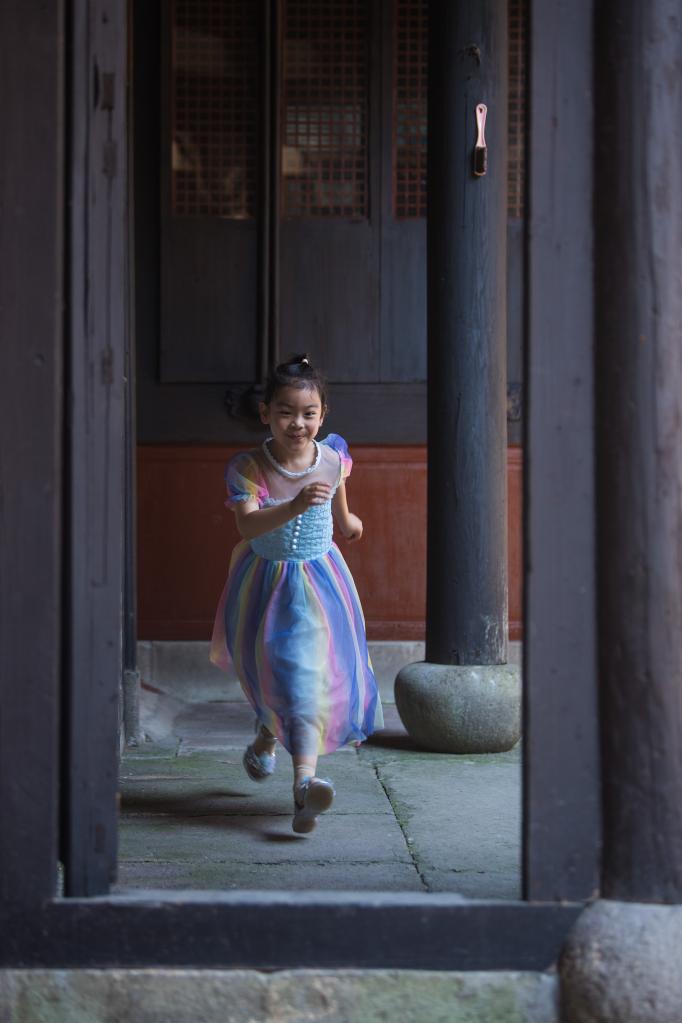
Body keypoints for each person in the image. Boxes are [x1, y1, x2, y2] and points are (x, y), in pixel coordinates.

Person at [210, 354, 384, 834]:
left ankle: (305, 786)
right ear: (266, 412)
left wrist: (348, 522)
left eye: (309, 413)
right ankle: (267, 738)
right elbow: (248, 525)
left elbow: (338, 495)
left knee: (308, 677)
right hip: (266, 584)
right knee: (283, 674)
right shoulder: (250, 466)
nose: (298, 424)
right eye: (286, 412)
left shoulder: (332, 457)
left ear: (323, 415)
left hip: (322, 584)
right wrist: (293, 506)